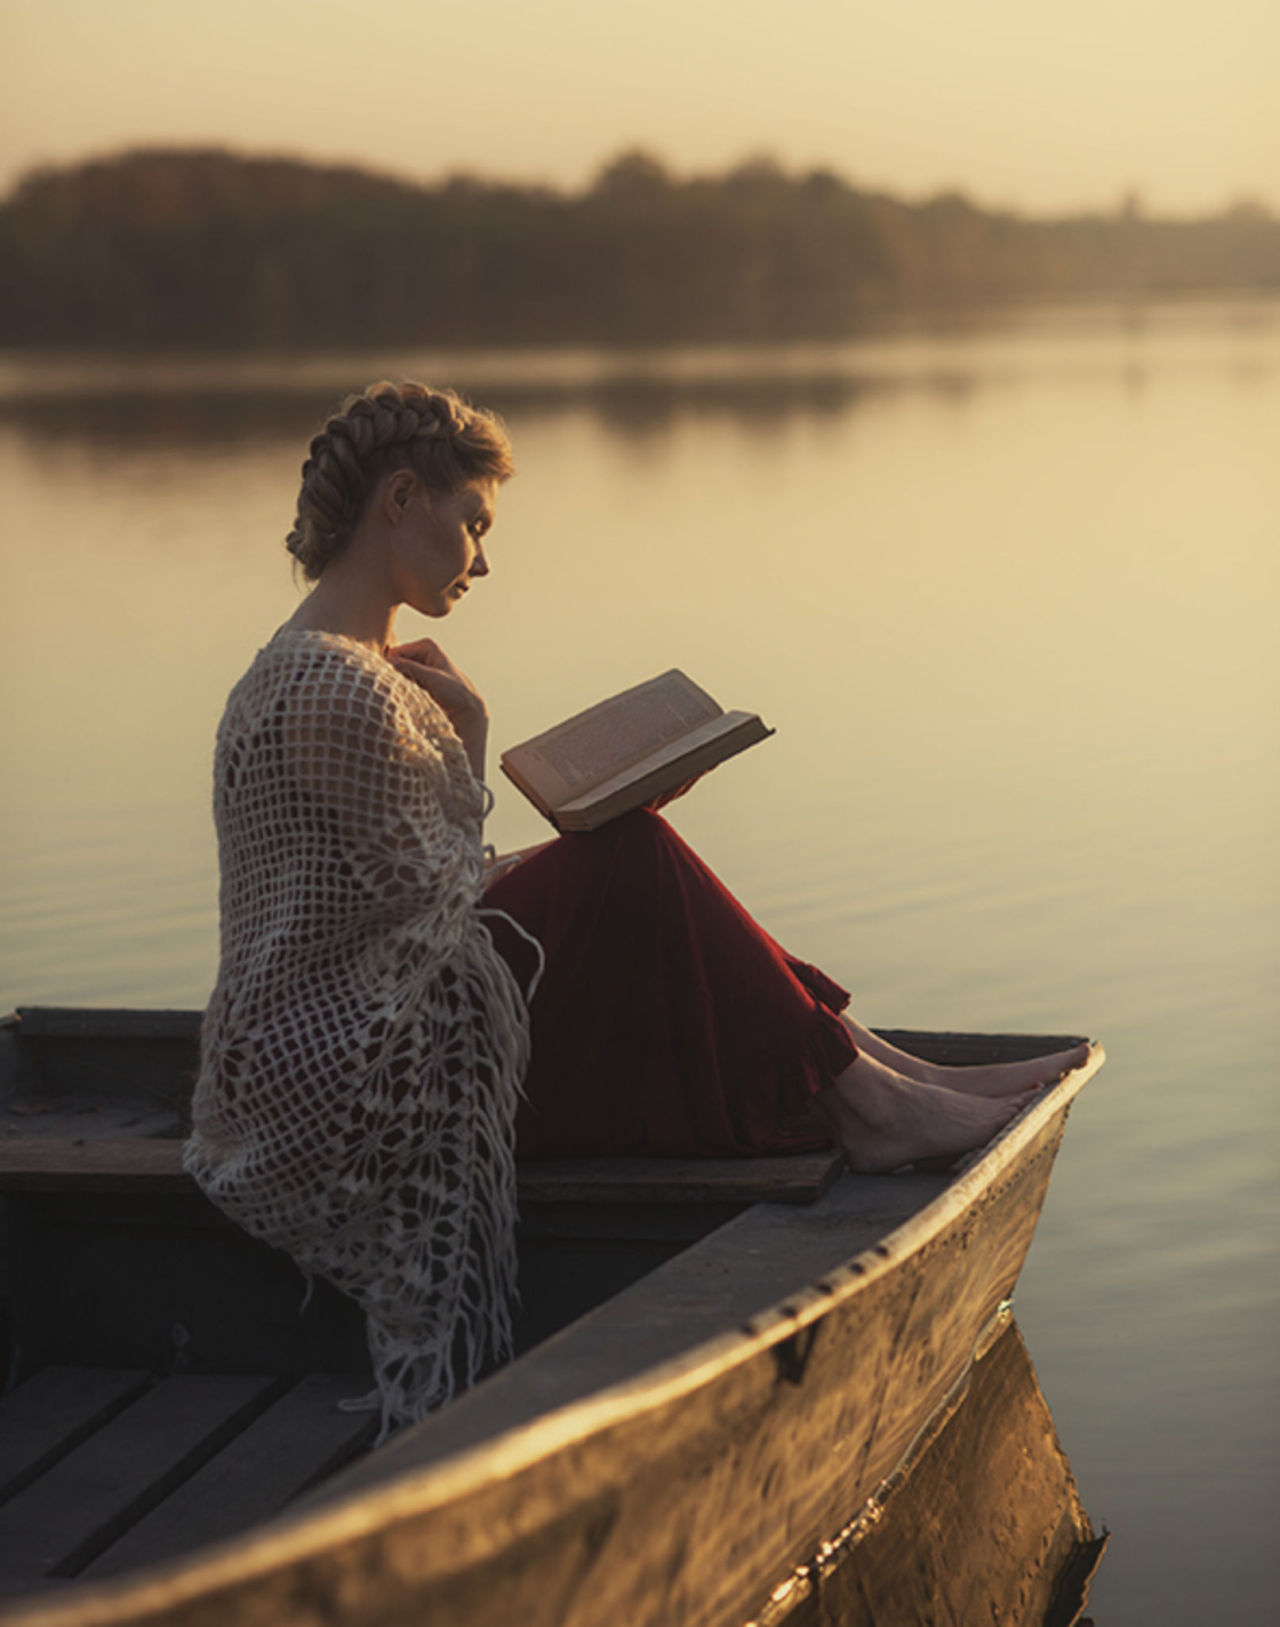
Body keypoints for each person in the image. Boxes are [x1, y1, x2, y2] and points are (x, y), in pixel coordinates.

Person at [185, 380, 1090, 1435]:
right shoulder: (335, 688)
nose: (481, 559)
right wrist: (486, 755)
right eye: (471, 523)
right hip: (354, 1087)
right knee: (628, 861)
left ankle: (888, 1074)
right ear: (398, 500)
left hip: (348, 1037)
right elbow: (431, 915)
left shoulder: (324, 667)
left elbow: (405, 898)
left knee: (625, 854)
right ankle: (877, 1098)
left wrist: (556, 819)